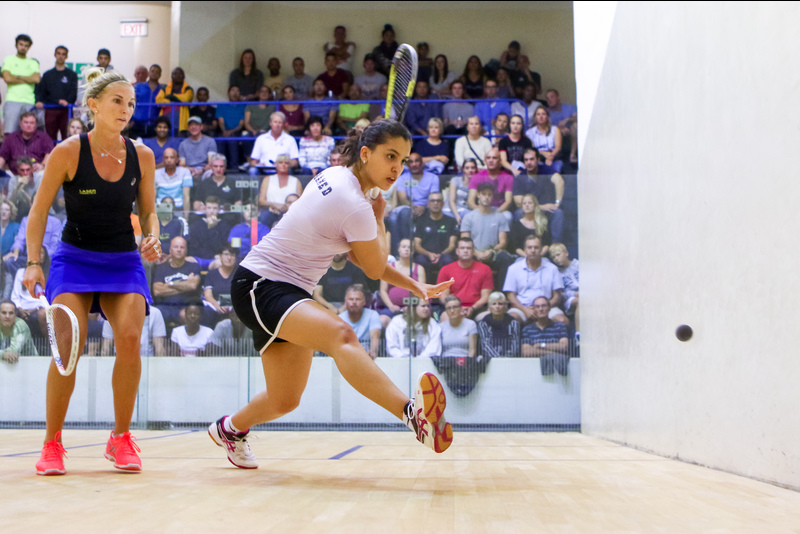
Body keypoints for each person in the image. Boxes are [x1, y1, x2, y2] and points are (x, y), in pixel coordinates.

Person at [207, 119, 454, 470]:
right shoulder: (354, 202)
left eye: (403, 159)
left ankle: (229, 429)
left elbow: (360, 255)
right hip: (262, 284)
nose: (397, 167)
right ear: (365, 154)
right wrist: (380, 219)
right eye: (390, 156)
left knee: (284, 399)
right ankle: (413, 416)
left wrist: (417, 286)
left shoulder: (337, 176)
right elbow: (372, 267)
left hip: (282, 291)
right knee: (342, 334)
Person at [24, 67, 161, 475]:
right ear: (95, 105)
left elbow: (149, 211)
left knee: (132, 339)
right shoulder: (67, 152)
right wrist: (34, 262)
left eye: (131, 103)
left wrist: (152, 236)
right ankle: (52, 443)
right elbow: (38, 211)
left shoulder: (143, 155)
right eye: (117, 101)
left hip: (122, 259)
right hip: (74, 258)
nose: (126, 109)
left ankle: (120, 438)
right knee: (67, 350)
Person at [460, 182, 515, 289]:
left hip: (493, 253)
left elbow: (503, 242)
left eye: (489, 195)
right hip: (474, 253)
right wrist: (476, 253)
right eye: (484, 194)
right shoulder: (468, 217)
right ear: (478, 195)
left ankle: (502, 294)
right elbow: (464, 241)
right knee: (464, 255)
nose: (486, 197)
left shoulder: (500, 217)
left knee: (505, 258)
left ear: (492, 197)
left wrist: (491, 251)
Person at [503, 235, 566, 325]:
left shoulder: (552, 269)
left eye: (536, 247)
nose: (533, 250)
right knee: (511, 321)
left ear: (541, 250)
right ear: (525, 250)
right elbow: (511, 296)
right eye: (529, 247)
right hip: (522, 307)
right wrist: (525, 309)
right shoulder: (513, 269)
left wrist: (543, 308)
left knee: (562, 321)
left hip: (547, 307)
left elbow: (557, 296)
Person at [513, 148, 565, 243]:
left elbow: (559, 181)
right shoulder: (520, 177)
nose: (529, 162)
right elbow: (517, 201)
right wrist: (540, 207)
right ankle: (521, 246)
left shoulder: (545, 170)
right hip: (530, 211)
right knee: (518, 213)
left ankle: (555, 246)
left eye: (532, 159)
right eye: (526, 160)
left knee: (558, 212)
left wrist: (557, 203)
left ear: (538, 159)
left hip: (547, 211)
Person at [436, 237, 493, 320]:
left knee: (487, 317)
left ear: (473, 251)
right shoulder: (446, 269)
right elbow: (443, 296)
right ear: (457, 251)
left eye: (468, 248)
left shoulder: (485, 269)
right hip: (453, 308)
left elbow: (486, 296)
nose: (465, 251)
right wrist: (456, 308)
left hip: (477, 309)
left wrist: (472, 308)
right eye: (462, 248)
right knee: (445, 317)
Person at [152, 236, 201, 328]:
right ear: (170, 250)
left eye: (182, 247)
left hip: (185, 306)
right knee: (154, 313)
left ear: (186, 250)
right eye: (176, 247)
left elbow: (193, 285)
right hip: (165, 306)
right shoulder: (161, 268)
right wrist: (185, 285)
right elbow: (157, 291)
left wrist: (170, 284)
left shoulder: (193, 266)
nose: (179, 250)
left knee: (187, 314)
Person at [35, 46, 78, 141]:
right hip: (51, 110)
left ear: (66, 57)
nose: (60, 56)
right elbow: (43, 94)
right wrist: (57, 101)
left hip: (66, 110)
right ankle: (51, 156)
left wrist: (67, 102)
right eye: (58, 53)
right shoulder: (47, 75)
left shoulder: (72, 74)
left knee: (68, 137)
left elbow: (73, 93)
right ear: (55, 55)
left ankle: (68, 156)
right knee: (50, 138)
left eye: (63, 54)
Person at [413, 192, 457, 281]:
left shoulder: (451, 221)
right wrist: (429, 254)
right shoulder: (420, 221)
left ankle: (446, 291)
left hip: (444, 254)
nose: (435, 203)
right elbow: (417, 245)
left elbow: (452, 245)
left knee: (448, 260)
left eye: (438, 201)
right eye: (432, 201)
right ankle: (422, 291)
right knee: (420, 261)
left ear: (443, 204)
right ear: (428, 204)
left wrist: (440, 255)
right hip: (425, 255)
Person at [520, 296, 569, 376]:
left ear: (549, 308)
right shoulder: (527, 329)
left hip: (557, 373)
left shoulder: (560, 326)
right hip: (532, 371)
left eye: (544, 306)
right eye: (537, 306)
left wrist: (541, 345)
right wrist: (553, 354)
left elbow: (564, 347)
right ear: (534, 309)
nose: (541, 309)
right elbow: (526, 352)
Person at [2, 34, 40, 135]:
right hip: (12, 100)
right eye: (21, 44)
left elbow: (36, 79)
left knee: (29, 133)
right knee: (9, 132)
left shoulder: (33, 63)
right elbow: (7, 78)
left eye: (26, 45)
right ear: (16, 45)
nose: (23, 47)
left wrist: (17, 76)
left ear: (29, 47)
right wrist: (28, 78)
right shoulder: (9, 60)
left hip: (29, 101)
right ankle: (8, 151)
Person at [380, 237, 426, 314]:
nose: (407, 249)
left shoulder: (419, 269)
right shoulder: (388, 268)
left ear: (413, 251)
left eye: (409, 247)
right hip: (390, 309)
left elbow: (422, 291)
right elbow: (383, 290)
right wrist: (391, 306)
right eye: (404, 247)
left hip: (413, 309)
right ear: (398, 249)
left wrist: (412, 306)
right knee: (382, 320)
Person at [0, 112, 54, 176]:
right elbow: (2, 156)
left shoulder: (44, 137)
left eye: (32, 123)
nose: (29, 125)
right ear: (21, 124)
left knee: (42, 174)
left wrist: (42, 165)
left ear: (35, 125)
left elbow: (50, 153)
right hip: (15, 172)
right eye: (26, 122)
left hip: (36, 172)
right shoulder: (11, 137)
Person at [101, 304, 166, 357]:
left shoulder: (155, 313)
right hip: (120, 363)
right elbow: (106, 348)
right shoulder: (111, 313)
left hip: (146, 362)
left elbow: (159, 349)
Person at [258, 154, 303, 227]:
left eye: (286, 163)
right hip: (270, 210)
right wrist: (275, 205)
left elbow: (300, 202)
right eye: (281, 162)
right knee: (264, 217)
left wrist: (286, 207)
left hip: (289, 212)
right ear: (276, 164)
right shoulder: (267, 180)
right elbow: (261, 200)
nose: (283, 165)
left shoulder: (296, 181)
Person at [339, 284, 382, 360]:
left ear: (364, 301)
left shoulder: (373, 315)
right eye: (351, 299)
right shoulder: (340, 318)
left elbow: (375, 337)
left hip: (367, 357)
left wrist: (373, 352)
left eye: (358, 299)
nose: (354, 302)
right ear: (345, 301)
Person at [467, 148, 514, 215]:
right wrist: (480, 210)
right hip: (481, 209)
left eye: (494, 158)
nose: (491, 160)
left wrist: (495, 213)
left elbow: (508, 201)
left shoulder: (508, 177)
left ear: (500, 161)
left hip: (499, 210)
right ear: (485, 160)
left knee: (508, 216)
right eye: (488, 158)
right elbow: (471, 200)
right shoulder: (476, 177)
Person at [188, 197, 233, 264]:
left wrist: (212, 228)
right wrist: (210, 255)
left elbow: (222, 247)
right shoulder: (195, 226)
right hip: (200, 259)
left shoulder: (225, 226)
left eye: (214, 208)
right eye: (209, 208)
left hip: (217, 260)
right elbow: (194, 248)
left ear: (218, 210)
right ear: (205, 209)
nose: (212, 211)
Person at [201, 244, 237, 326]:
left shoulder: (239, 274)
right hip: (216, 305)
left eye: (232, 255)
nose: (229, 258)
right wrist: (216, 304)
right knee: (206, 311)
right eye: (226, 254)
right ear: (220, 256)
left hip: (234, 305)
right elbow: (208, 295)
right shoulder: (212, 274)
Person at [476, 292, 520, 358]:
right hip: (490, 360)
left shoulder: (514, 323)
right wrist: (498, 359)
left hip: (510, 360)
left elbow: (515, 343)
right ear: (490, 307)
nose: (497, 307)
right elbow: (485, 344)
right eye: (494, 304)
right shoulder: (483, 324)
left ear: (505, 306)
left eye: (500, 304)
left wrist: (506, 358)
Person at [549, 243, 579, 334]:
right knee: (579, 301)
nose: (556, 259)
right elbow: (561, 293)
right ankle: (578, 333)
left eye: (558, 255)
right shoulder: (557, 272)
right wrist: (573, 294)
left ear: (566, 253)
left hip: (587, 293)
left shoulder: (578, 264)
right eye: (553, 257)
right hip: (569, 299)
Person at [509, 194, 551, 259]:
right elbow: (516, 247)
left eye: (530, 203)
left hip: (541, 257)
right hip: (522, 258)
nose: (527, 205)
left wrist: (538, 256)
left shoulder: (544, 222)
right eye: (524, 203)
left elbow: (547, 244)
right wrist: (528, 257)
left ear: (535, 205)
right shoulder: (516, 225)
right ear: (522, 206)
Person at [156, 67, 194, 134]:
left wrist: (171, 97)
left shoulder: (188, 89)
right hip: (166, 119)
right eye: (175, 74)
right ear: (171, 76)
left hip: (181, 122)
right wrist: (173, 101)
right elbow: (158, 100)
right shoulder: (165, 88)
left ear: (183, 76)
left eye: (180, 74)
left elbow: (186, 98)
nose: (177, 76)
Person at [525, 107, 563, 174]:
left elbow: (558, 147)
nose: (541, 116)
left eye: (543, 114)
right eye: (538, 114)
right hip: (538, 158)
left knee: (557, 168)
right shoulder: (530, 132)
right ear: (535, 117)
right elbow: (532, 150)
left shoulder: (555, 129)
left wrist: (550, 157)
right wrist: (543, 154)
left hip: (553, 157)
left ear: (547, 116)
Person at [129, 64, 162, 139]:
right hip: (137, 124)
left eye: (157, 72)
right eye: (152, 71)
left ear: (160, 75)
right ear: (149, 73)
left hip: (154, 125)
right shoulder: (138, 87)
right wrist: (130, 118)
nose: (154, 73)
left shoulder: (162, 89)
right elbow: (130, 102)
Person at [0, 299, 39, 363]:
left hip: (31, 364)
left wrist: (4, 354)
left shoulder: (21, 325)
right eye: (4, 313)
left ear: (15, 315)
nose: (7, 316)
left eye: (11, 313)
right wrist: (3, 354)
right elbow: (7, 355)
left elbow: (13, 352)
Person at [545, 89, 578, 163]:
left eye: (552, 97)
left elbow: (579, 117)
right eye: (547, 98)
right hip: (556, 136)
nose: (549, 100)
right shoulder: (546, 111)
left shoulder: (569, 107)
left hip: (571, 134)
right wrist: (559, 130)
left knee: (576, 125)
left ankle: (572, 155)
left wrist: (567, 120)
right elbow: (546, 126)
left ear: (558, 97)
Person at [446, 158, 476, 224]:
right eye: (467, 168)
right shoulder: (455, 180)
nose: (470, 170)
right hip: (451, 210)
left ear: (476, 169)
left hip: (467, 211)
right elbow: (451, 201)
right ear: (463, 170)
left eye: (472, 168)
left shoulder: (478, 183)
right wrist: (457, 216)